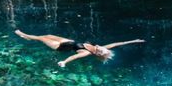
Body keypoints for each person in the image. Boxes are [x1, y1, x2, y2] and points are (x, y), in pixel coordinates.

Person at [14, 29, 145, 67]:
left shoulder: (86, 53)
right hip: (69, 41)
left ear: (97, 53)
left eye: (100, 49)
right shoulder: (100, 47)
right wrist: (134, 40)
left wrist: (64, 62)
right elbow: (118, 43)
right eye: (103, 48)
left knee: (41, 38)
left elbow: (74, 56)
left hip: (60, 47)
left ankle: (24, 35)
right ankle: (29, 37)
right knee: (47, 34)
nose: (99, 46)